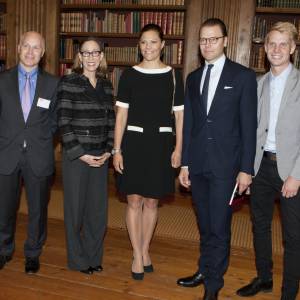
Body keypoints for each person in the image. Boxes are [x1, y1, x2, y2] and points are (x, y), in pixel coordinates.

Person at [176, 18, 257, 300]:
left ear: (225, 40)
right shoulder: (193, 78)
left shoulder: (243, 77)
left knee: (220, 226)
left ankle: (213, 284)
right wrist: (185, 163)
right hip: (197, 165)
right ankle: (204, 268)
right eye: (203, 40)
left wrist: (246, 170)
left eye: (213, 39)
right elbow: (189, 126)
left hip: (226, 167)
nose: (207, 44)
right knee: (205, 224)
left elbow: (249, 127)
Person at [113, 23, 184, 280]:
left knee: (152, 200)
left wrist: (179, 148)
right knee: (134, 200)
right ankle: (136, 253)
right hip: (133, 143)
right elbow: (121, 115)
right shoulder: (129, 75)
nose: (148, 47)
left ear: (163, 45)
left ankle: (144, 250)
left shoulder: (174, 76)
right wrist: (117, 150)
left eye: (153, 42)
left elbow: (180, 118)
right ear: (139, 45)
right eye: (143, 42)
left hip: (161, 145)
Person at [236, 22, 300, 300]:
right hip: (260, 166)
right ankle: (264, 278)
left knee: (293, 237)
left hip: (291, 169)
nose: (276, 49)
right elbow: (249, 132)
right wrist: (246, 170)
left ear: (293, 49)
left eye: (283, 44)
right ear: (264, 49)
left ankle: (289, 291)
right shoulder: (257, 84)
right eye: (271, 43)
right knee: (259, 225)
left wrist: (297, 175)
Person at [0, 31, 59, 273]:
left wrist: (42, 138)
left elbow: (56, 120)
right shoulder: (2, 80)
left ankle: (33, 253)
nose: (31, 52)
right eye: (26, 46)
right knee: (4, 208)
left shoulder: (54, 83)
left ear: (43, 53)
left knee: (38, 209)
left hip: (39, 155)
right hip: (6, 155)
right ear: (18, 47)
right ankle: (4, 250)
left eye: (36, 48)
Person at [57, 37, 115, 274]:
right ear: (79, 56)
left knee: (97, 212)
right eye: (86, 53)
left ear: (101, 56)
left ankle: (93, 257)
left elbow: (111, 120)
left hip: (100, 157)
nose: (91, 57)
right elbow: (63, 121)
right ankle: (78, 261)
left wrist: (109, 150)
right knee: (75, 211)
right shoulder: (68, 82)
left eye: (95, 53)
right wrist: (80, 154)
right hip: (77, 158)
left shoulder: (106, 84)